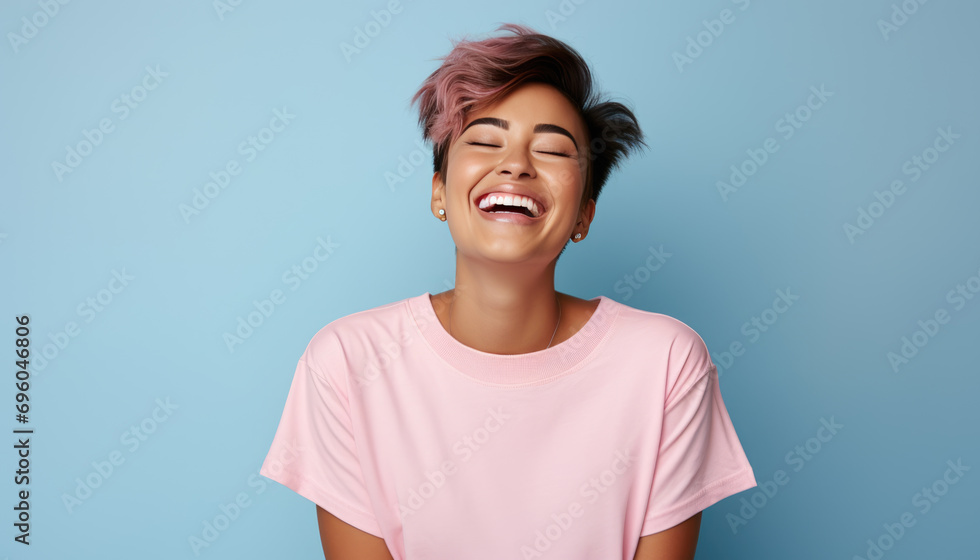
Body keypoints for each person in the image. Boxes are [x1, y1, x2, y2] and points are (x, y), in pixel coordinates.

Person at [259, 23, 757, 560]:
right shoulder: (347, 362)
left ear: (584, 214)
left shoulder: (665, 363)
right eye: (484, 142)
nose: (516, 165)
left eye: (552, 151)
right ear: (438, 192)